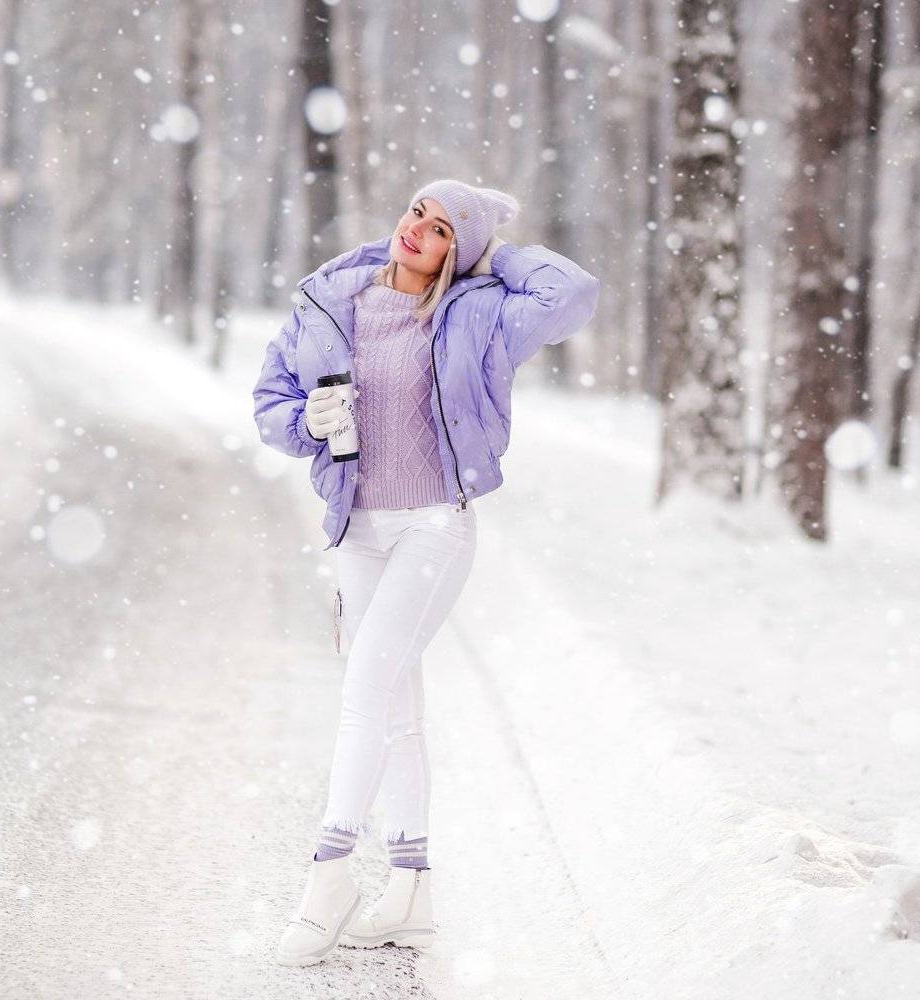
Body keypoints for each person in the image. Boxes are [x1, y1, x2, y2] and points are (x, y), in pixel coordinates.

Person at [252, 178, 599, 966]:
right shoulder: (329, 301)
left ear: (459, 251)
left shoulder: (478, 316)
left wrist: (492, 251)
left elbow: (571, 292)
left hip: (436, 526)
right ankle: (412, 890)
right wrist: (304, 421)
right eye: (416, 211)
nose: (417, 229)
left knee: (367, 686)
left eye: (443, 228)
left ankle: (329, 873)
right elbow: (270, 398)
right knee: (397, 703)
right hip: (357, 529)